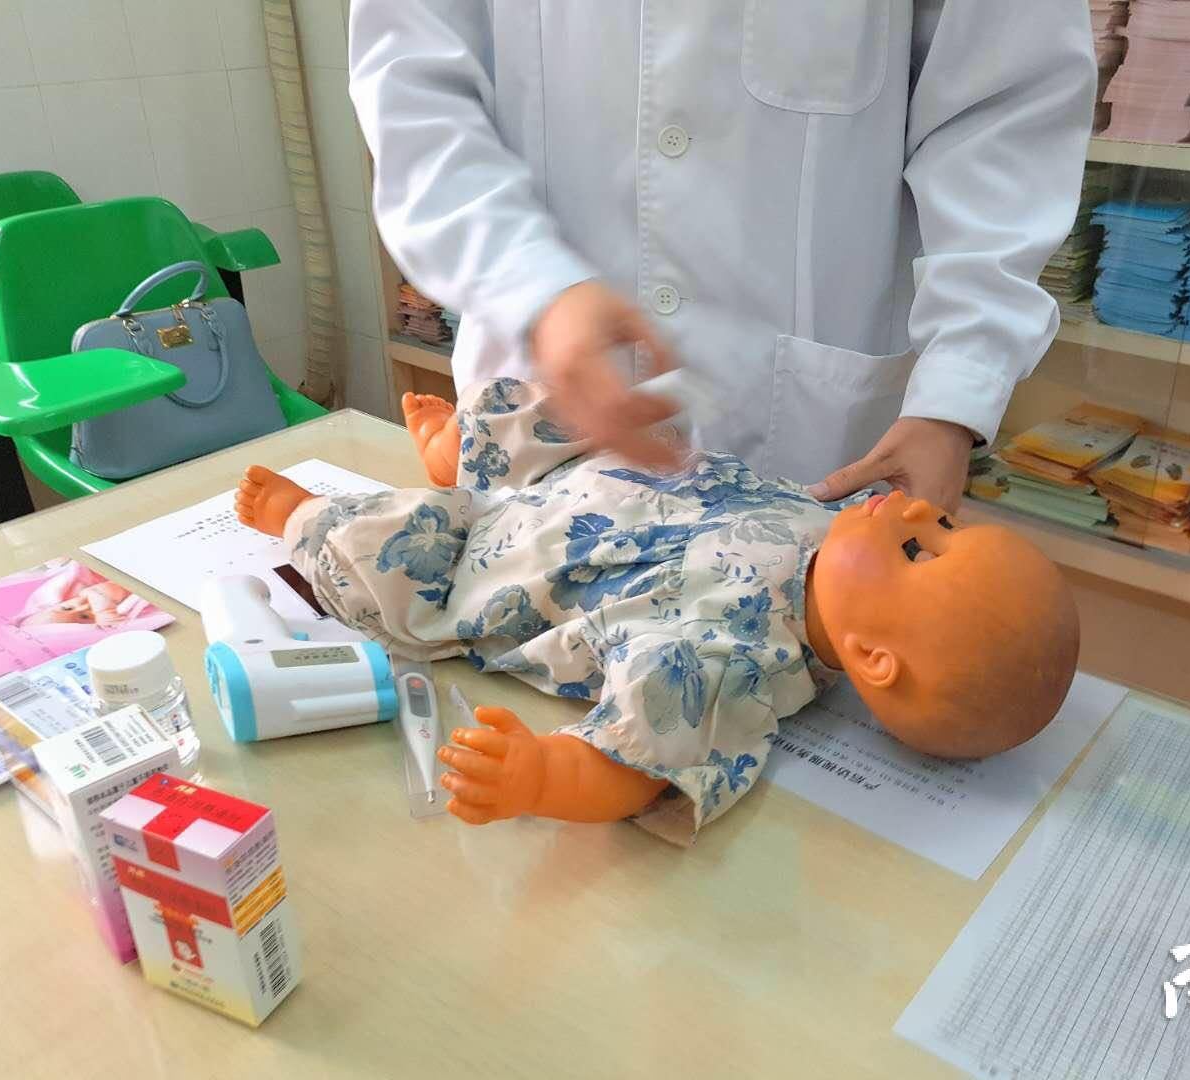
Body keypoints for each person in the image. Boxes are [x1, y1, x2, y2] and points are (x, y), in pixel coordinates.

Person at [234, 381, 1079, 843]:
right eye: (948, 524)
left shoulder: (733, 658)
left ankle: (302, 515)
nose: (918, 510)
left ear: (872, 660)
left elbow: (639, 758)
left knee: (397, 556)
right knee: (590, 405)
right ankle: (463, 451)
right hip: (601, 476)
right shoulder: (840, 524)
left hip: (512, 555)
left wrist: (540, 776)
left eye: (921, 550)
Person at [348, 1, 1097, 510]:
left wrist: (955, 393)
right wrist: (532, 286)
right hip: (541, 426)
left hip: (816, 454)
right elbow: (416, 96)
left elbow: (1002, 118)